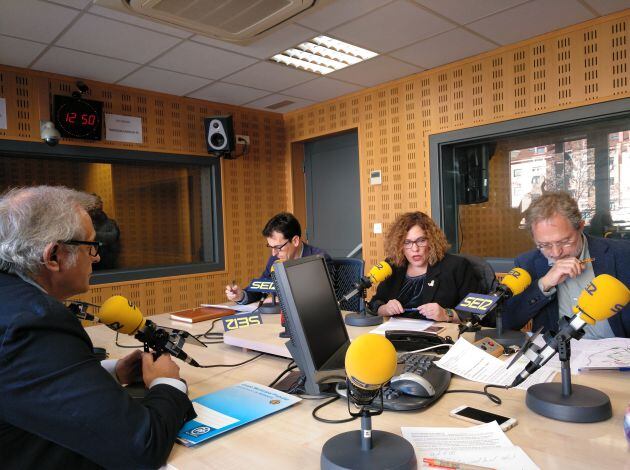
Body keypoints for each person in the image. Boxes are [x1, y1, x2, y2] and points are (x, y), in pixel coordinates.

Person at [0, 186, 195, 469]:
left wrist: (112, 372)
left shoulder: (11, 300)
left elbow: (29, 382)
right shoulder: (34, 321)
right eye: (91, 246)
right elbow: (140, 448)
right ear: (53, 256)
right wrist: (167, 383)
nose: (97, 257)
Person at [503, 191, 630, 338]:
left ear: (581, 227)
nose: (556, 253)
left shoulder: (623, 254)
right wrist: (544, 284)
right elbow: (507, 323)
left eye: (564, 242)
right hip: (557, 355)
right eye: (544, 245)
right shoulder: (527, 264)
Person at [367, 211, 481, 324]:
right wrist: (385, 309)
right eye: (407, 242)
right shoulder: (393, 266)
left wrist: (446, 314)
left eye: (421, 240)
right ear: (399, 245)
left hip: (439, 338)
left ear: (432, 241)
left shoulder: (456, 266)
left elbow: (475, 313)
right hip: (395, 335)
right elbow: (375, 303)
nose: (415, 248)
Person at [226, 212, 329, 304]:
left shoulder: (319, 259)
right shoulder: (275, 260)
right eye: (271, 247)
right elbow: (262, 287)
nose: (274, 253)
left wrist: (280, 300)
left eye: (278, 247)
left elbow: (321, 299)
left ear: (295, 241)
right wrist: (241, 296)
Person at [88, 194, 121, 270]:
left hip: (107, 265)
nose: (96, 206)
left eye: (98, 203)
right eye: (93, 204)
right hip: (89, 265)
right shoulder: (83, 222)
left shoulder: (110, 223)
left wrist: (93, 235)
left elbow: (112, 237)